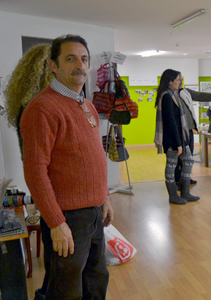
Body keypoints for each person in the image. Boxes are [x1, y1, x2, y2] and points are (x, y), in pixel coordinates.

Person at [20, 34, 114, 300]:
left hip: (94, 214)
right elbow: (35, 171)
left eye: (84, 59)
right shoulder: (42, 108)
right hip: (68, 218)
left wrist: (104, 196)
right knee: (65, 289)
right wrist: (56, 222)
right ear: (53, 65)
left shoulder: (87, 106)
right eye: (70, 58)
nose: (80, 65)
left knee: (96, 280)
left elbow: (93, 157)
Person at [3, 43, 54, 300]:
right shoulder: (37, 109)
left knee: (60, 262)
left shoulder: (33, 105)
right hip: (54, 191)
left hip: (50, 190)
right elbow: (38, 164)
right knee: (60, 262)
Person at [154, 69, 200, 205]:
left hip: (180, 138)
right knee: (172, 165)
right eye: (178, 80)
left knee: (188, 161)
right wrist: (178, 144)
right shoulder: (167, 96)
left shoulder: (173, 94)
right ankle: (173, 195)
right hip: (173, 140)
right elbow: (171, 122)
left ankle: (185, 192)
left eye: (180, 80)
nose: (180, 83)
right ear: (170, 82)